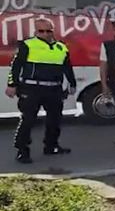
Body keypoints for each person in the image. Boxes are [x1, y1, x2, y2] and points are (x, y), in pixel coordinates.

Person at [5, 19, 75, 163]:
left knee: (55, 120)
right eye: (41, 31)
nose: (45, 34)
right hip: (32, 89)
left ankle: (51, 146)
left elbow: (67, 67)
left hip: (54, 89)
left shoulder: (61, 47)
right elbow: (16, 66)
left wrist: (72, 83)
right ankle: (22, 150)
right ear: (36, 32)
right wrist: (12, 84)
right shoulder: (28, 45)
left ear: (52, 31)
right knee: (28, 120)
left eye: (48, 31)